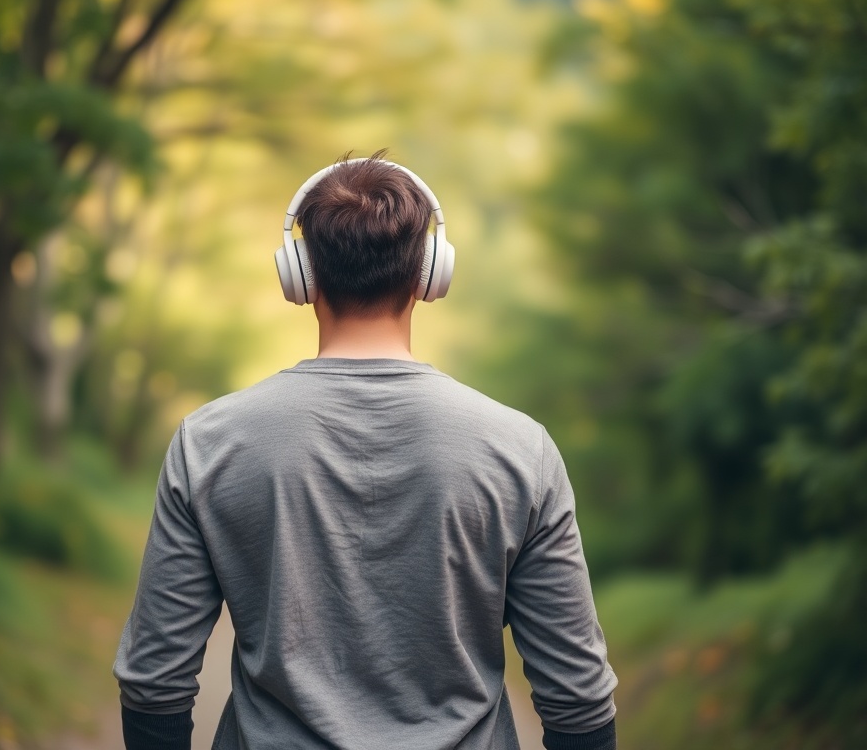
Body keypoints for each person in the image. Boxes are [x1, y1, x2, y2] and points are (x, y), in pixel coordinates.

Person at [113, 152, 618, 750]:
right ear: (429, 274)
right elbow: (578, 699)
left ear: (301, 275)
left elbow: (154, 683)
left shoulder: (210, 442)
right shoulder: (519, 450)